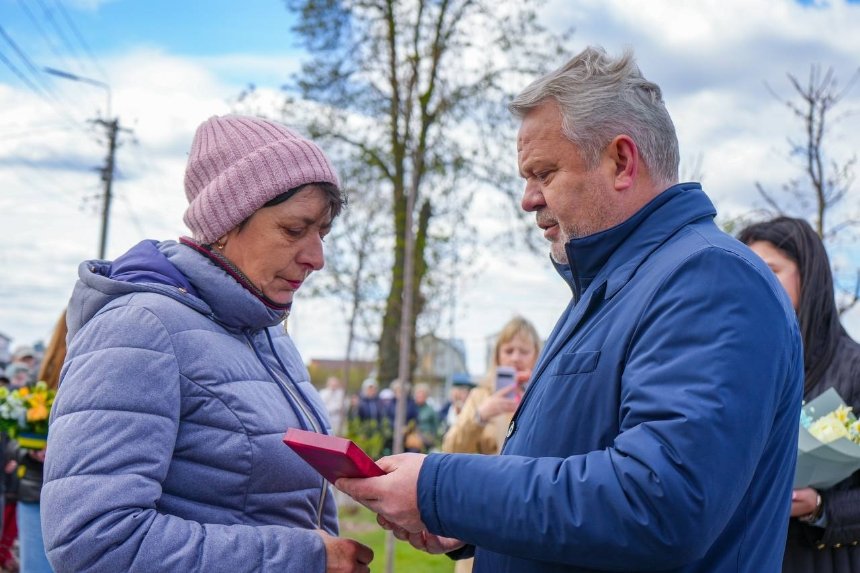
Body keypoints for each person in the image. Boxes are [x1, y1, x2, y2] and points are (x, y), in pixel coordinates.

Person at [337, 46, 804, 572]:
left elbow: (659, 504)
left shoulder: (711, 280)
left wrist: (441, 489)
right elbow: (568, 473)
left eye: (543, 172)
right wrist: (470, 527)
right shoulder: (615, 286)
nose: (528, 199)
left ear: (622, 162)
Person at [41, 115, 373, 573]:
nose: (316, 257)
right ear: (224, 223)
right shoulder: (140, 329)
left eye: (323, 232)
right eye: (294, 230)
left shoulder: (266, 333)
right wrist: (306, 557)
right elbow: (93, 542)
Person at [738, 216, 860, 572]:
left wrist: (821, 507)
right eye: (746, 270)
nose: (754, 283)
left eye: (770, 270)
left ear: (809, 276)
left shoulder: (853, 370)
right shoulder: (739, 365)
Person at [441, 316, 540, 573]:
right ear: (497, 356)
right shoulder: (480, 396)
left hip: (528, 509)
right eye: (508, 350)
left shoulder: (542, 395)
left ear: (537, 355)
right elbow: (450, 448)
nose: (515, 357)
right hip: (481, 510)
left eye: (524, 351)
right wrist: (480, 416)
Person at [15, 310, 66, 573]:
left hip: (62, 491)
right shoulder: (40, 377)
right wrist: (34, 447)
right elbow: (13, 435)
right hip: (37, 486)